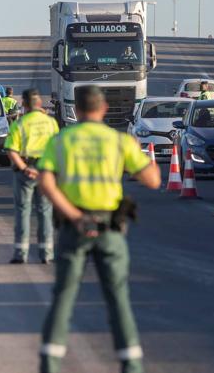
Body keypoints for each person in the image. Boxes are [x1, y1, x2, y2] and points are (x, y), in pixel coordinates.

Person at [37, 85, 161, 373]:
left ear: (76, 110)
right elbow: (153, 180)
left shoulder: (61, 141)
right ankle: (131, 364)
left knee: (64, 297)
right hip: (110, 230)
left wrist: (74, 215)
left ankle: (49, 363)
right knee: (117, 297)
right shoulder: (118, 141)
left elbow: (46, 182)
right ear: (103, 109)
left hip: (73, 228)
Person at [4, 88, 59, 264]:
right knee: (45, 212)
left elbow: (11, 150)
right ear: (40, 103)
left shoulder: (19, 124)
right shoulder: (51, 123)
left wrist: (25, 168)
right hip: (45, 172)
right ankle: (47, 253)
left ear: (24, 104)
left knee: (23, 212)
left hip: (25, 172)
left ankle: (21, 253)